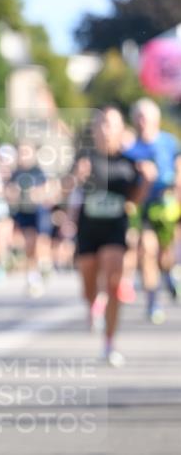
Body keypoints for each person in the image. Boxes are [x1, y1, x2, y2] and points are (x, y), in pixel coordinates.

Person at [70, 106, 154, 365]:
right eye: (102, 124)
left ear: (121, 129)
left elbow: (134, 201)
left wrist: (147, 182)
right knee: (89, 285)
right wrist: (74, 179)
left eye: (111, 124)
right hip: (88, 230)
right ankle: (93, 303)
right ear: (94, 130)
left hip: (115, 228)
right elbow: (66, 192)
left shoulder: (129, 164)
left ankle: (109, 343)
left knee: (115, 281)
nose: (106, 130)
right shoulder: (84, 160)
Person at [126, 98, 181, 323]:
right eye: (139, 117)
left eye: (146, 117)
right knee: (146, 250)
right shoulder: (131, 149)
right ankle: (153, 301)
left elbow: (179, 168)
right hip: (144, 204)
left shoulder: (169, 142)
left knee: (165, 254)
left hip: (167, 203)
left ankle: (169, 275)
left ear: (155, 119)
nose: (142, 121)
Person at [7, 143, 54, 297]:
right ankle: (32, 276)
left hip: (38, 212)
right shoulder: (16, 173)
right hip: (23, 212)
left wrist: (38, 193)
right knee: (28, 244)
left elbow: (47, 190)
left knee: (41, 241)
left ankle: (44, 265)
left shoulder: (38, 172)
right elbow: (9, 191)